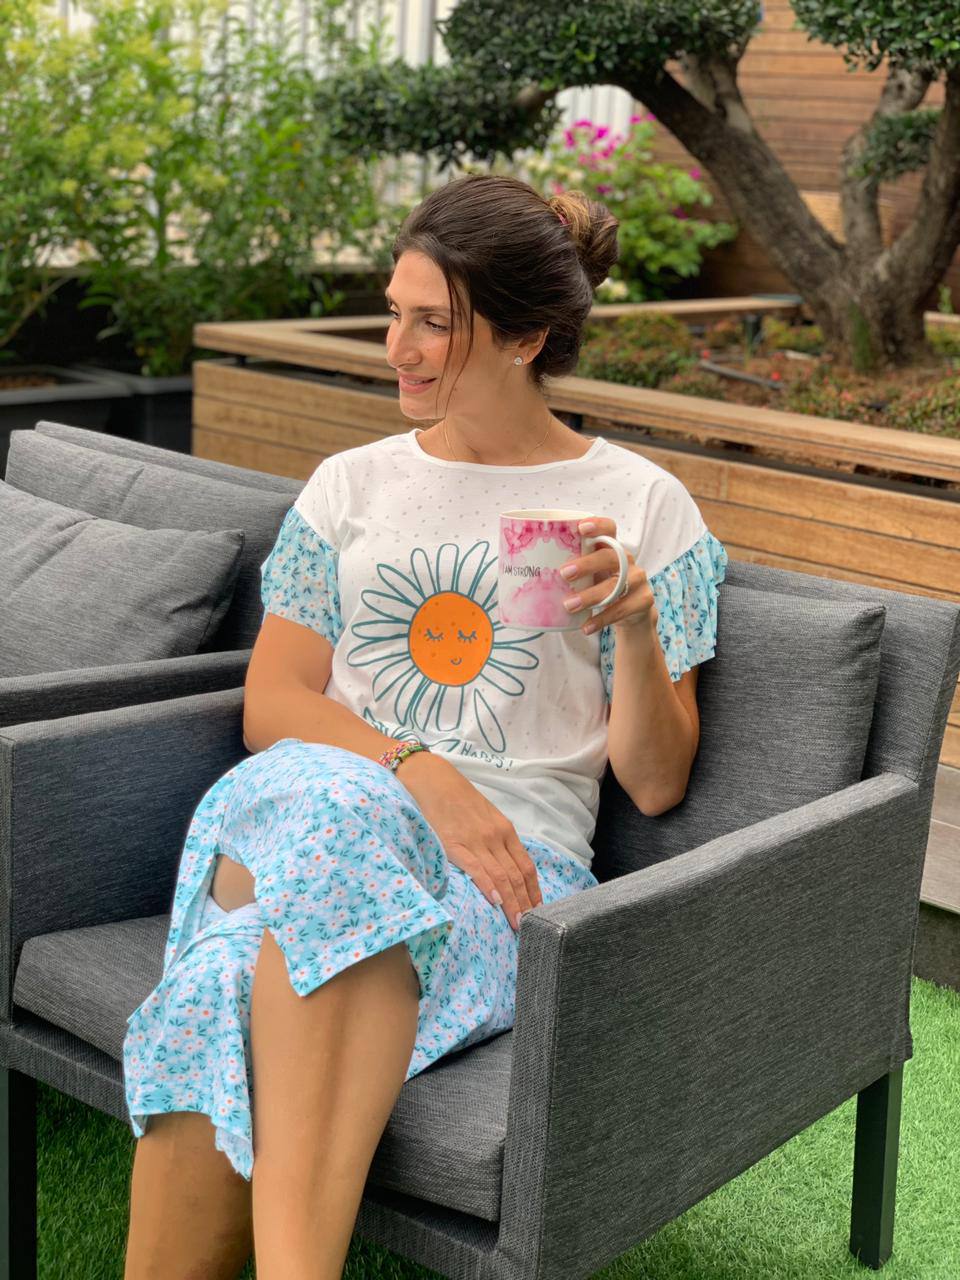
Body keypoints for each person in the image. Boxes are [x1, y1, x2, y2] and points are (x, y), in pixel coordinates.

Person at [120, 172, 728, 1279]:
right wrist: (424, 774)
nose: (396, 347)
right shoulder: (349, 485)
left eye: (433, 323)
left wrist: (637, 628)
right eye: (393, 312)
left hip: (509, 876)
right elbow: (274, 703)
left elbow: (655, 782)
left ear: (526, 337)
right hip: (308, 806)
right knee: (345, 806)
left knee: (222, 983)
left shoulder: (642, 504)